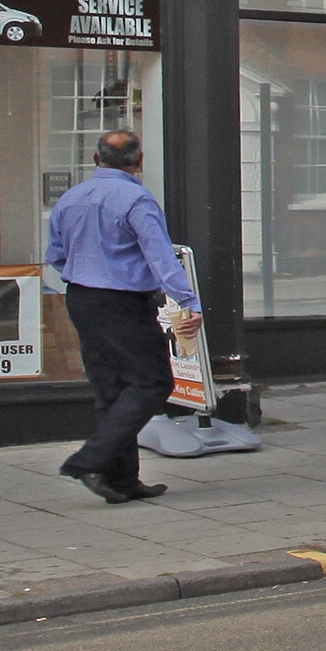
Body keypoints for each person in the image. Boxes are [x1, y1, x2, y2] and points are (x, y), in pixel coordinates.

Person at [45, 130, 199, 503]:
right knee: (152, 383)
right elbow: (160, 255)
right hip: (122, 301)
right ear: (139, 161)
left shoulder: (72, 198)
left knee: (111, 390)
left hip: (81, 296)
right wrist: (188, 301)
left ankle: (122, 480)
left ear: (96, 160)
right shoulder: (137, 199)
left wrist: (86, 272)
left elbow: (55, 253)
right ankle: (92, 460)